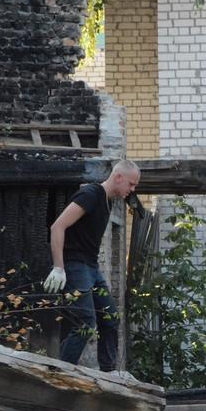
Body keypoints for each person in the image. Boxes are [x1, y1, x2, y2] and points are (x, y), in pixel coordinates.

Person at [43, 159, 140, 372]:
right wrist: (59, 267)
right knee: (86, 323)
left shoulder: (108, 201)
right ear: (118, 177)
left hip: (91, 267)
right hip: (75, 265)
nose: (132, 190)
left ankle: (109, 374)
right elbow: (57, 227)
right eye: (131, 184)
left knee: (110, 318)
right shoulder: (90, 195)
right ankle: (60, 373)